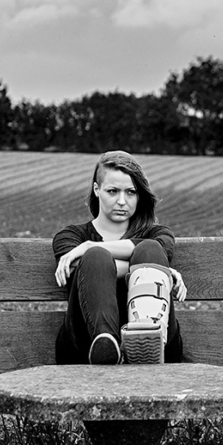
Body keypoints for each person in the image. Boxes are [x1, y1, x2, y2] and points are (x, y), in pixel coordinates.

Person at [53, 151, 187, 365]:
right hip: (85, 345)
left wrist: (90, 246)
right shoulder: (70, 238)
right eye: (113, 191)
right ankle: (105, 344)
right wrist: (157, 272)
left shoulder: (158, 234)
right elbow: (82, 267)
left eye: (131, 192)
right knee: (96, 258)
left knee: (150, 249)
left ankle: (146, 340)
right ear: (96, 190)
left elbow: (160, 250)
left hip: (157, 344)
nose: (122, 201)